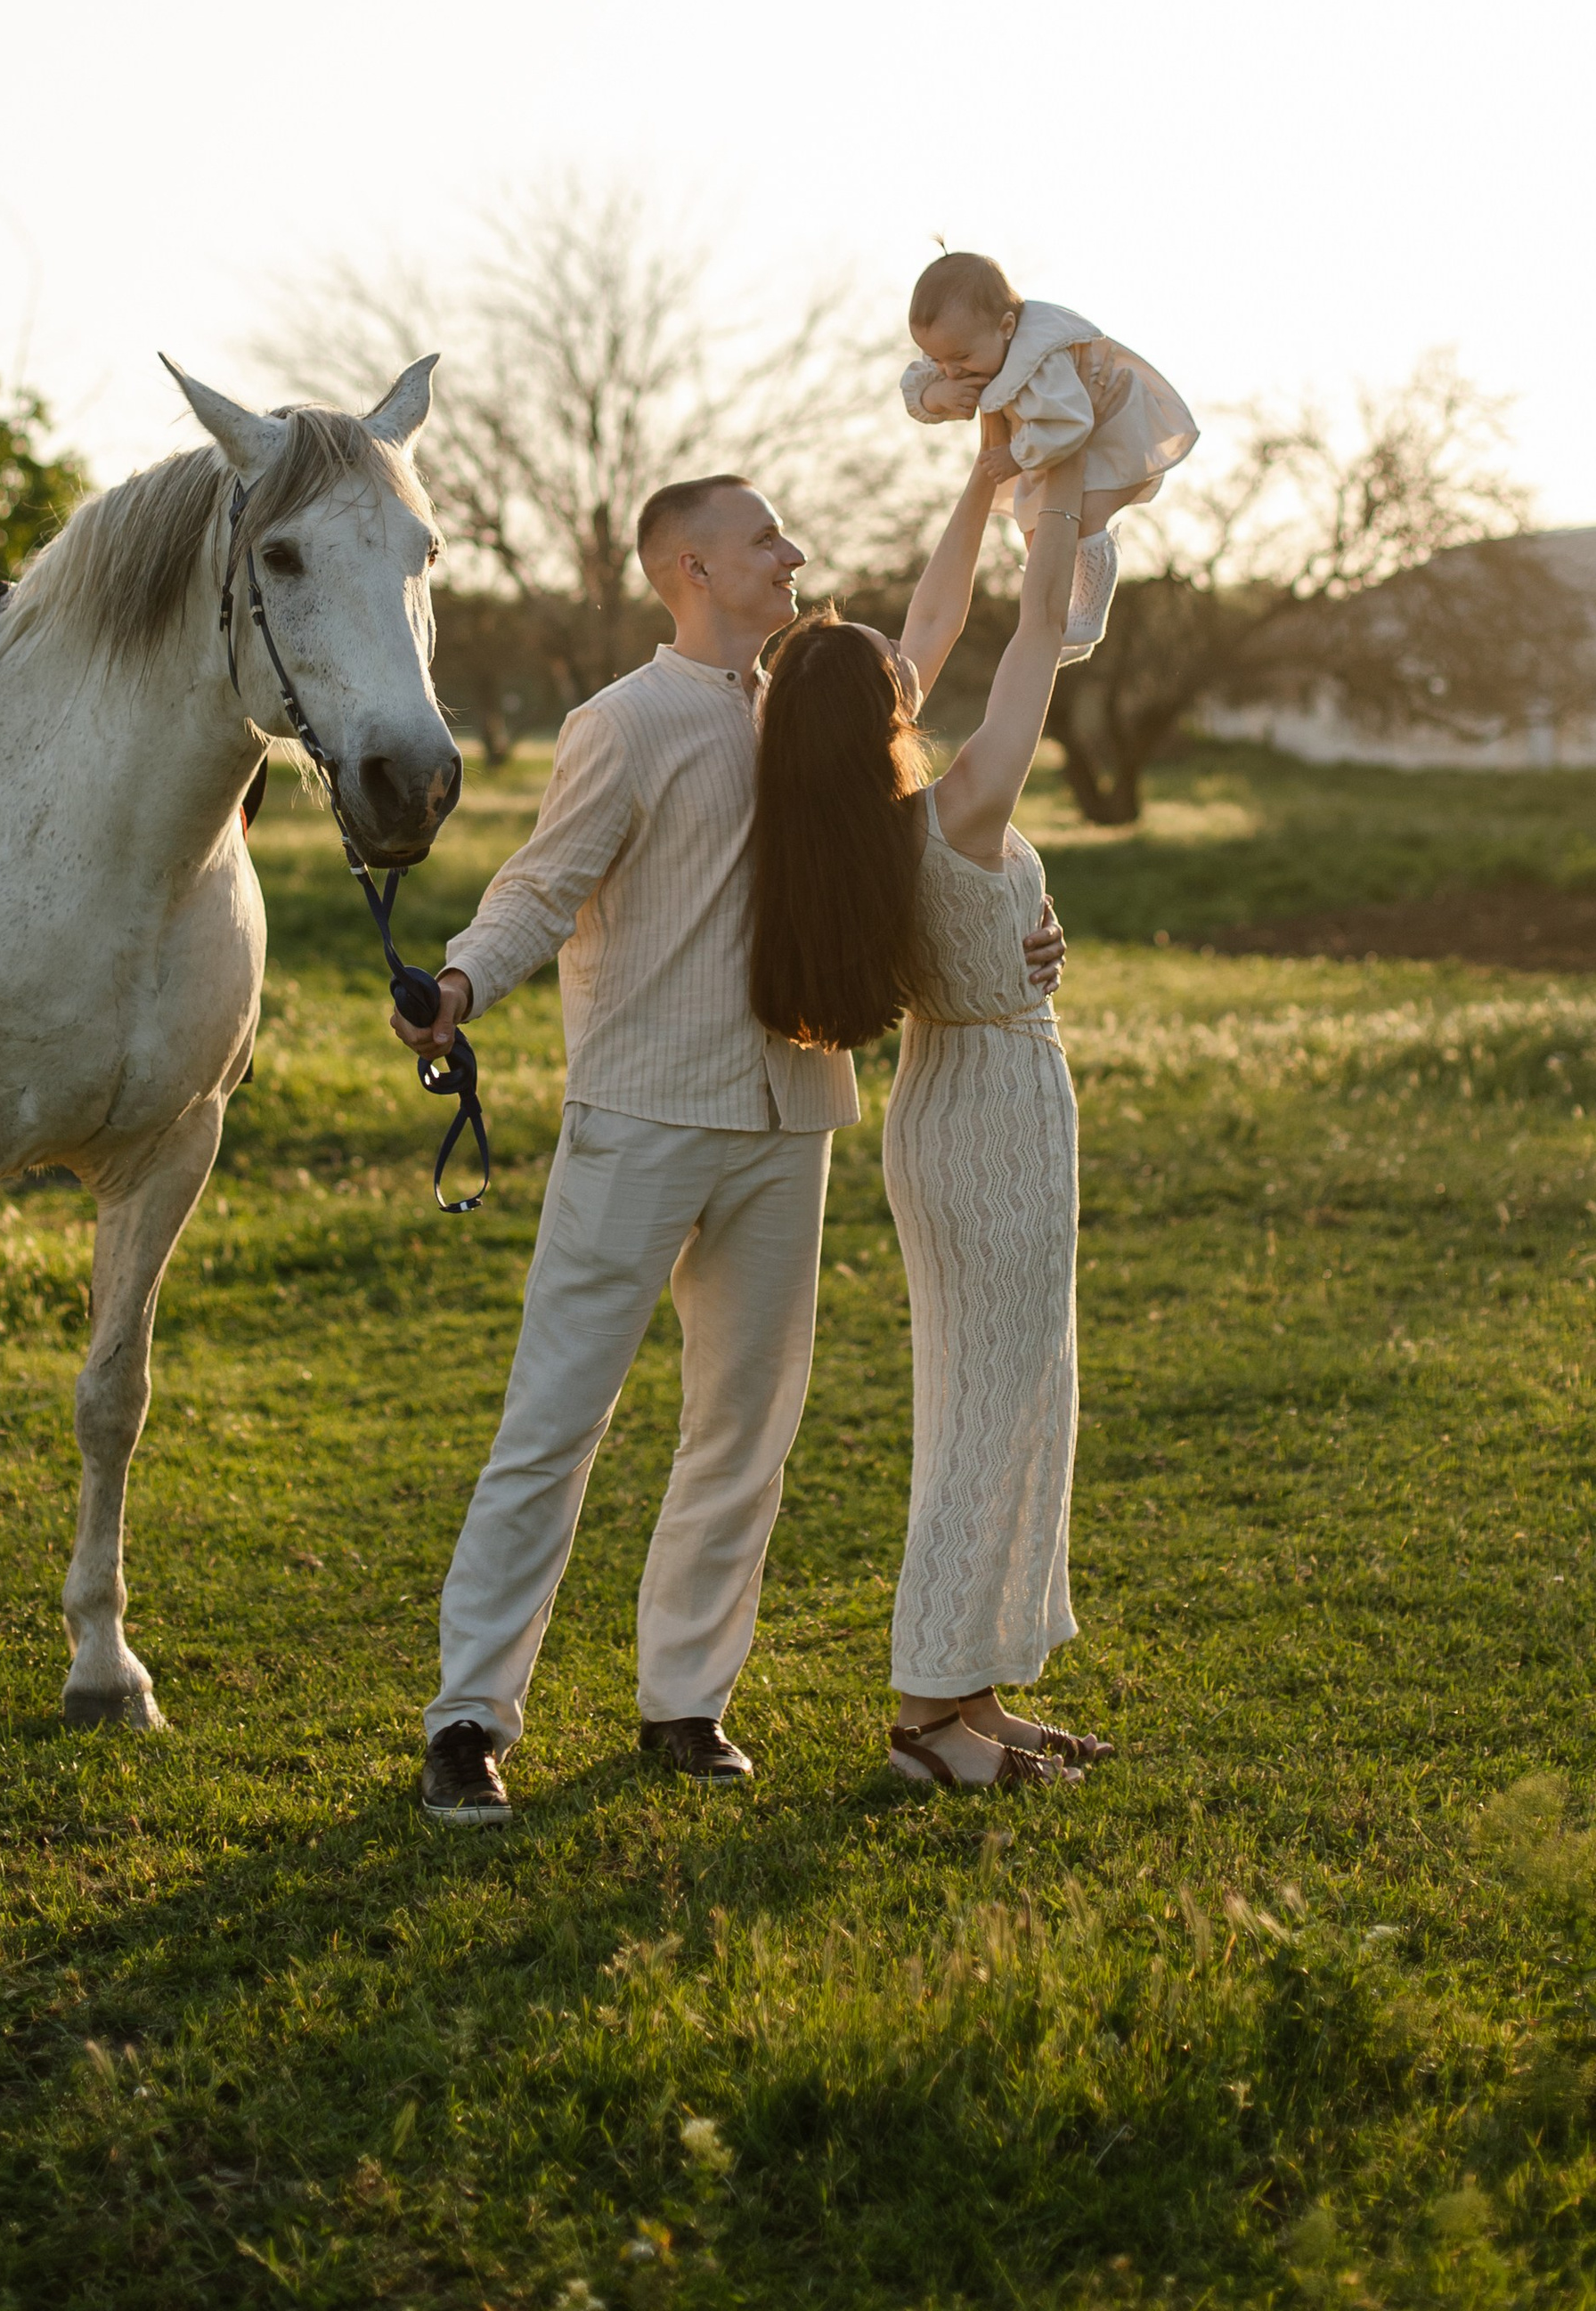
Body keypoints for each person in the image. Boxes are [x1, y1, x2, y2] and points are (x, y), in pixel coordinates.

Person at [396, 465, 1066, 1828]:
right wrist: (460, 986)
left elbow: (935, 636)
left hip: (794, 1116)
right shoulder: (624, 722)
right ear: (690, 567)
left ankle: (685, 1703)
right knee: (554, 1424)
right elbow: (545, 881)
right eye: (765, 538)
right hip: (641, 1118)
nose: (794, 550)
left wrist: (991, 474)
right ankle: (471, 1717)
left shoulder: (816, 705)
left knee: (743, 1431)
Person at [750, 419, 1110, 1791]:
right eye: (894, 677)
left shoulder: (849, 827)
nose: (915, 671)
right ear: (883, 716)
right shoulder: (957, 807)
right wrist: (1058, 499)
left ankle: (973, 1695)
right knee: (986, 1411)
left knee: (1001, 1396)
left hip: (952, 1105)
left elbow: (944, 618)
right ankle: (923, 1720)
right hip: (993, 1117)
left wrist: (982, 474)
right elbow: (1022, 645)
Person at [900, 247, 1197, 660]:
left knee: (1087, 514)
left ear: (1006, 327)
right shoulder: (964, 345)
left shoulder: (1041, 360)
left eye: (960, 359)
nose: (951, 369)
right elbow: (919, 383)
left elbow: (1069, 420)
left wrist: (1017, 456)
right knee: (1037, 530)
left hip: (1115, 427)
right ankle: (1058, 623)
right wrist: (935, 393)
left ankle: (1088, 617)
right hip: (1051, 440)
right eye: (937, 358)